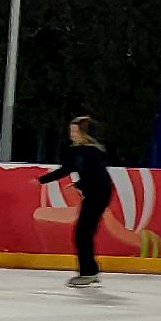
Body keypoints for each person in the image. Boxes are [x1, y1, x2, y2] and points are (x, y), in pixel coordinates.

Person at [37, 115, 114, 288]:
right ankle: (90, 270)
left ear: (84, 133)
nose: (71, 134)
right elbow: (66, 169)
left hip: (99, 194)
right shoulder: (78, 152)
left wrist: (80, 184)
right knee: (83, 232)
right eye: (70, 130)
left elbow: (98, 176)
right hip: (94, 194)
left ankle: (88, 272)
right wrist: (41, 180)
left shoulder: (93, 152)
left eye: (74, 131)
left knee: (82, 233)